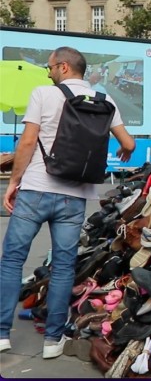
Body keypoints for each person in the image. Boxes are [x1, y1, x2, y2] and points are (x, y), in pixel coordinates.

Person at [0, 47, 135, 359]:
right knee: (63, 267)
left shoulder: (44, 95)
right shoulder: (106, 101)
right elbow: (127, 143)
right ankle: (52, 341)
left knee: (11, 261)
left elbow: (29, 141)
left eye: (50, 67)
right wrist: (125, 151)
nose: (48, 73)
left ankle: (3, 334)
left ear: (62, 67)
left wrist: (14, 181)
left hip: (35, 189)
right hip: (75, 196)